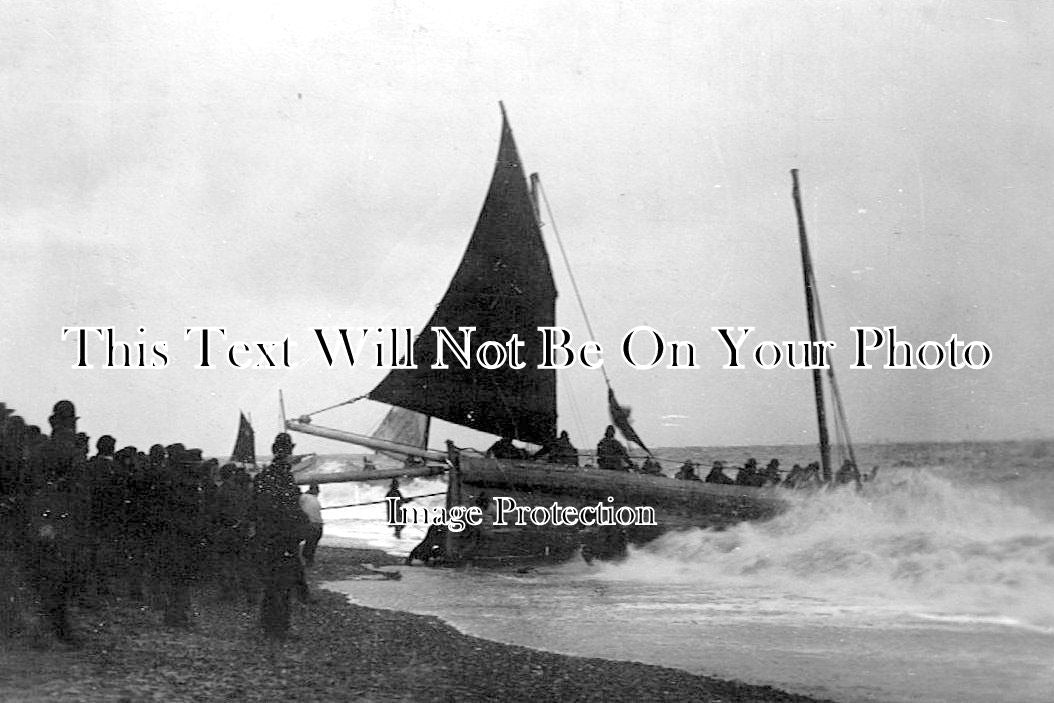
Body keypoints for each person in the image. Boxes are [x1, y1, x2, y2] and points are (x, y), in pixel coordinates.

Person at [252, 433, 309, 639]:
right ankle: (279, 629)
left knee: (272, 584)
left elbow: (257, 508)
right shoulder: (284, 477)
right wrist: (301, 524)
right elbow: (286, 508)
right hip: (282, 538)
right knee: (282, 584)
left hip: (267, 537)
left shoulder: (264, 476)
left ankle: (269, 626)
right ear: (287, 451)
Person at [299, 484, 323, 567]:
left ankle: (304, 558)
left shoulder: (304, 497)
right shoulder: (313, 499)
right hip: (317, 525)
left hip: (309, 524)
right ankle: (308, 559)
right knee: (311, 543)